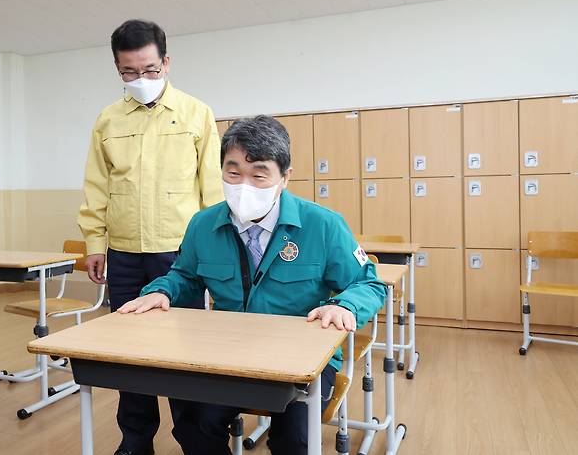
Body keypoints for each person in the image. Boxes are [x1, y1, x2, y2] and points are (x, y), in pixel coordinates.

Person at [118, 115, 387, 455]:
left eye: (259, 174)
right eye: (233, 173)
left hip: (303, 364)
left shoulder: (323, 225)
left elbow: (369, 284)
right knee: (192, 425)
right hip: (227, 356)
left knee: (295, 441)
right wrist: (161, 291)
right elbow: (185, 277)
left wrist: (343, 305)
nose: (244, 185)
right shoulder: (202, 225)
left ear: (284, 177)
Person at [77, 20, 224, 455]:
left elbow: (212, 190)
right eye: (129, 72)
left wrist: (212, 255)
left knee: (182, 355)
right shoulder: (107, 120)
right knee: (127, 353)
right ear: (117, 69)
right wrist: (93, 244)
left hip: (179, 256)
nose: (140, 79)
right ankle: (136, 441)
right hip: (123, 254)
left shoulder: (197, 114)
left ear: (166, 61)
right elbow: (96, 187)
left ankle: (193, 439)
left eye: (149, 69)